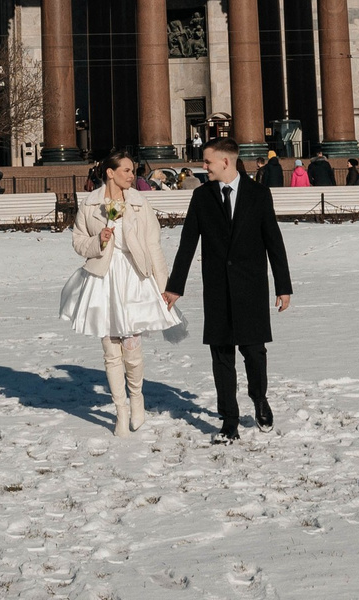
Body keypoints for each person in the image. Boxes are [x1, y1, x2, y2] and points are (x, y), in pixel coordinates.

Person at [163, 131, 293, 442]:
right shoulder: (201, 196)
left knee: (253, 350)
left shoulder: (259, 195)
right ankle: (229, 419)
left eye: (207, 162)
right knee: (221, 354)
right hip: (218, 288)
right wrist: (175, 286)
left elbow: (274, 242)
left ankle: (259, 399)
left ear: (225, 161)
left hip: (251, 287)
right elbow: (187, 244)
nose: (203, 166)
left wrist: (283, 286)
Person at [59, 148, 177, 437]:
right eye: (126, 170)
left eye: (132, 170)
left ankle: (137, 398)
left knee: (131, 343)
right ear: (110, 173)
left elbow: (153, 245)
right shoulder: (90, 204)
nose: (131, 175)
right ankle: (120, 410)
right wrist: (98, 240)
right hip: (103, 276)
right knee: (110, 348)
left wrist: (165, 286)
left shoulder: (139, 203)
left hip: (134, 275)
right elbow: (78, 242)